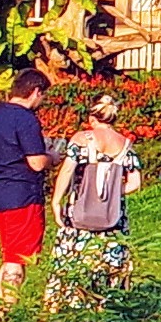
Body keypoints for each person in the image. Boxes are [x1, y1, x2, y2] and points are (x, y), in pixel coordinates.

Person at [45, 89, 142, 309]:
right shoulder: (125, 145)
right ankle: (108, 304)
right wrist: (110, 191)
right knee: (109, 258)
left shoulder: (82, 139)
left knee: (71, 256)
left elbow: (68, 171)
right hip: (112, 215)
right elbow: (135, 183)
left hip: (79, 210)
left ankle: (67, 304)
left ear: (91, 118)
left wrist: (56, 200)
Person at [0, 60, 54, 302]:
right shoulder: (26, 119)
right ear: (36, 92)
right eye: (43, 96)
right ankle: (8, 312)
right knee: (17, 259)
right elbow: (36, 162)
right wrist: (54, 156)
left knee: (9, 252)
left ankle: (1, 308)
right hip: (21, 195)